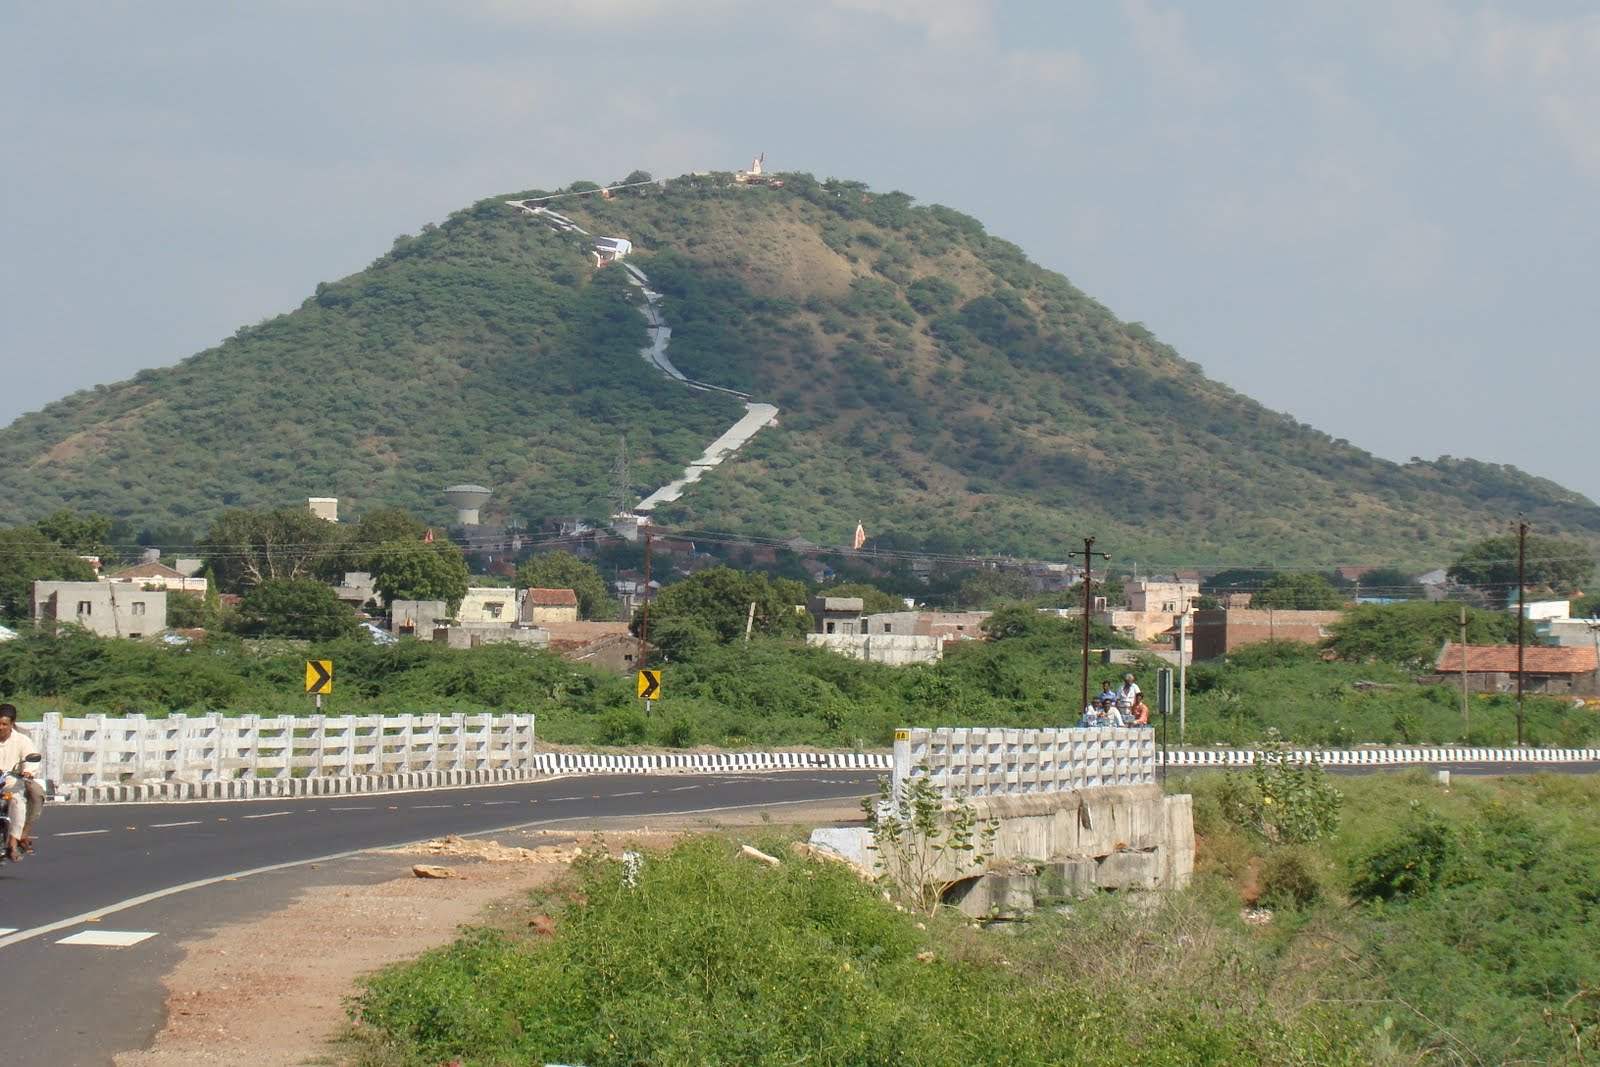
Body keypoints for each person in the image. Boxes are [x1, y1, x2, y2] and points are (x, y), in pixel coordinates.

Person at [0, 706, 41, 859]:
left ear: (12, 724)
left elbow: (31, 757)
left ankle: (13, 843)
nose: (1, 727)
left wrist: (28, 771)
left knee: (18, 804)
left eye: (4, 724)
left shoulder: (22, 740)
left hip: (12, 783)